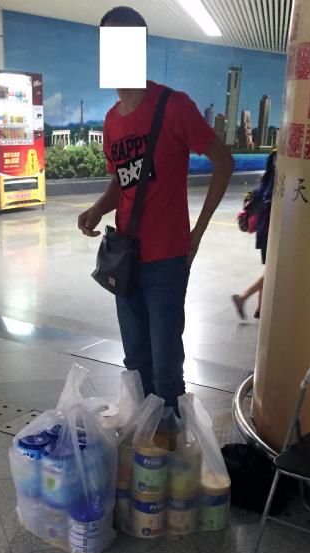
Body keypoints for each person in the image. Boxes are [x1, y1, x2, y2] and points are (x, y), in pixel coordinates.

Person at [78, 6, 234, 412]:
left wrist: (197, 234)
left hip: (166, 259)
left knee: (166, 369)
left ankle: (166, 450)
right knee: (134, 363)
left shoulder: (173, 105)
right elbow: (123, 182)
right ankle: (142, 439)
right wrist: (98, 208)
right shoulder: (112, 121)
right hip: (125, 256)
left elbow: (223, 161)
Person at [231, 149, 277, 321]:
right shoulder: (273, 185)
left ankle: (260, 308)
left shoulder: (267, 180)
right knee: (272, 270)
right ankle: (243, 297)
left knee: (269, 269)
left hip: (264, 230)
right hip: (269, 230)